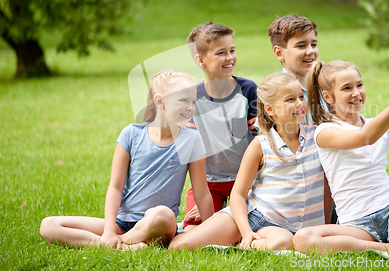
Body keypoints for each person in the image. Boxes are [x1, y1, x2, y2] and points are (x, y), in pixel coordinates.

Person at [39, 70, 214, 249]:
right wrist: (108, 230)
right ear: (161, 102)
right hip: (122, 224)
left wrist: (211, 231)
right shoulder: (131, 134)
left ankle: (116, 244)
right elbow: (115, 187)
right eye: (184, 100)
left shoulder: (192, 140)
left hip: (159, 226)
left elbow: (201, 193)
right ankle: (124, 246)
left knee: (163, 214)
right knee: (48, 225)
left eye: (193, 101)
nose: (191, 107)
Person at [293, 57, 389, 253]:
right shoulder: (324, 132)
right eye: (346, 88)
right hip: (355, 224)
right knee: (303, 239)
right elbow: (366, 137)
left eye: (359, 85)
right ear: (328, 97)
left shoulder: (382, 127)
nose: (356, 93)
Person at [169, 73, 328, 251]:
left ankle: (237, 245)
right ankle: (159, 230)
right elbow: (238, 195)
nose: (299, 103)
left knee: (281, 243)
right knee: (179, 247)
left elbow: (327, 186)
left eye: (300, 97)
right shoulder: (261, 144)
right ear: (270, 109)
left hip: (284, 230)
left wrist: (326, 225)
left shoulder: (319, 137)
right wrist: (246, 232)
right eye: (290, 99)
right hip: (252, 217)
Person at [182, 22, 258, 231]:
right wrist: (201, 196)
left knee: (245, 227)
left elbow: (261, 138)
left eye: (232, 51)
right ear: (201, 60)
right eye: (221, 53)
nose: (230, 57)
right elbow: (189, 148)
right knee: (191, 231)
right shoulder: (192, 98)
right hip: (209, 185)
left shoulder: (248, 90)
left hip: (247, 182)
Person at [268, 13, 335, 223]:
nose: (310, 51)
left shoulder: (326, 85)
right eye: (301, 46)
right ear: (279, 53)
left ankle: (327, 224)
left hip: (330, 169)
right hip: (292, 175)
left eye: (313, 44)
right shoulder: (275, 92)